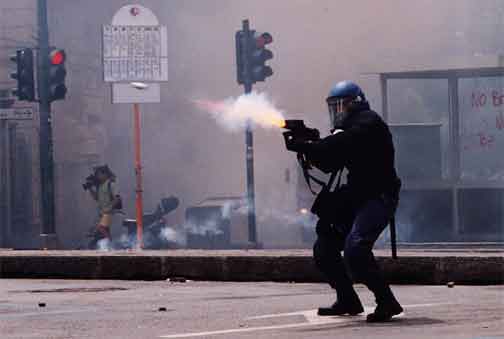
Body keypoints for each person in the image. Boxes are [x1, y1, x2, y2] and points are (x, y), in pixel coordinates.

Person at [284, 81, 403, 322]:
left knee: (356, 248)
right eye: (334, 106)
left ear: (355, 103)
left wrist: (312, 145)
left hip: (378, 196)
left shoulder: (369, 123)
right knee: (324, 247)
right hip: (357, 195)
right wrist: (308, 147)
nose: (338, 111)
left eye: (342, 105)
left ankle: (386, 301)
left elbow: (342, 143)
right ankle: (347, 299)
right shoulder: (348, 131)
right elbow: (330, 162)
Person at [87, 165, 121, 249]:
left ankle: (111, 244)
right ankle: (106, 245)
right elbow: (96, 198)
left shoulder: (111, 184)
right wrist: (90, 188)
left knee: (101, 228)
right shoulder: (100, 186)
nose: (97, 176)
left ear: (105, 174)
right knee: (100, 232)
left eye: (99, 174)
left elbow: (117, 198)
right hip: (102, 212)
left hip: (109, 212)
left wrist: (109, 208)